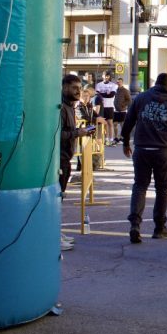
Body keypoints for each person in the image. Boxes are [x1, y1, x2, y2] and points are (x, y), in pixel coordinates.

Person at [121, 73, 167, 244]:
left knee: (140, 186)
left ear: (155, 83)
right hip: (162, 150)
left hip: (142, 148)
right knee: (162, 189)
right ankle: (159, 227)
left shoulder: (141, 98)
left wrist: (126, 142)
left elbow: (128, 122)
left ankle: (135, 225)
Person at [59, 75, 91, 252]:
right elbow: (58, 133)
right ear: (64, 88)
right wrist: (78, 133)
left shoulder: (71, 107)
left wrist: (79, 131)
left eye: (80, 88)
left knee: (60, 197)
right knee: (57, 198)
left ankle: (56, 231)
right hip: (59, 159)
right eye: (74, 88)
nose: (78, 91)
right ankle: (54, 235)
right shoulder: (62, 108)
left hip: (66, 157)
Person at [95, 72, 118, 145]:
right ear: (102, 76)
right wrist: (106, 94)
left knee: (110, 123)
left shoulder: (113, 85)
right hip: (101, 106)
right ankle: (106, 139)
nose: (106, 77)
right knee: (104, 123)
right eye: (105, 76)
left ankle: (111, 139)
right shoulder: (98, 85)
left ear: (109, 77)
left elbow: (111, 95)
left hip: (110, 106)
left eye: (107, 76)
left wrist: (102, 94)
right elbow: (97, 94)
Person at [112, 77, 131, 145]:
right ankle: (116, 137)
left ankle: (121, 137)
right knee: (115, 124)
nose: (118, 83)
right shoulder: (115, 90)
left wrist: (123, 105)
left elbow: (129, 100)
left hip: (122, 110)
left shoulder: (125, 90)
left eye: (120, 82)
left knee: (122, 125)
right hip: (115, 110)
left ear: (122, 82)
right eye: (117, 82)